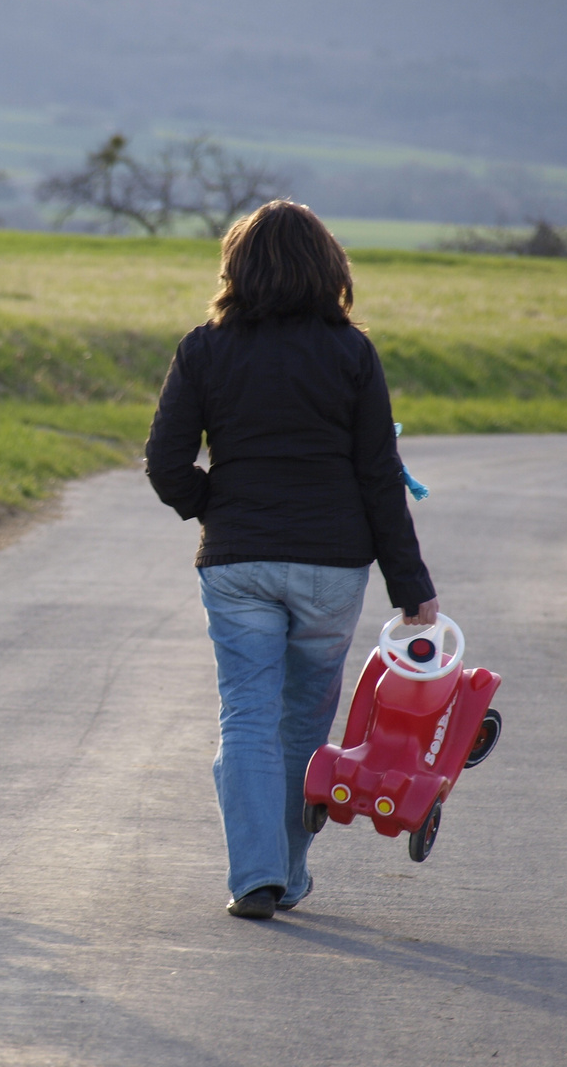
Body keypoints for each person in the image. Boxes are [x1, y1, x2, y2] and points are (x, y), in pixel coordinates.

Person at [144, 200, 437, 920]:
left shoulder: (204, 348)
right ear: (327, 267)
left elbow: (164, 463)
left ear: (235, 266)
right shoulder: (351, 353)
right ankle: (289, 870)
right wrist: (412, 587)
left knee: (245, 717)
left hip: (237, 562)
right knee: (304, 725)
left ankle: (257, 877)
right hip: (333, 567)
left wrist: (216, 506)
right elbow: (378, 473)